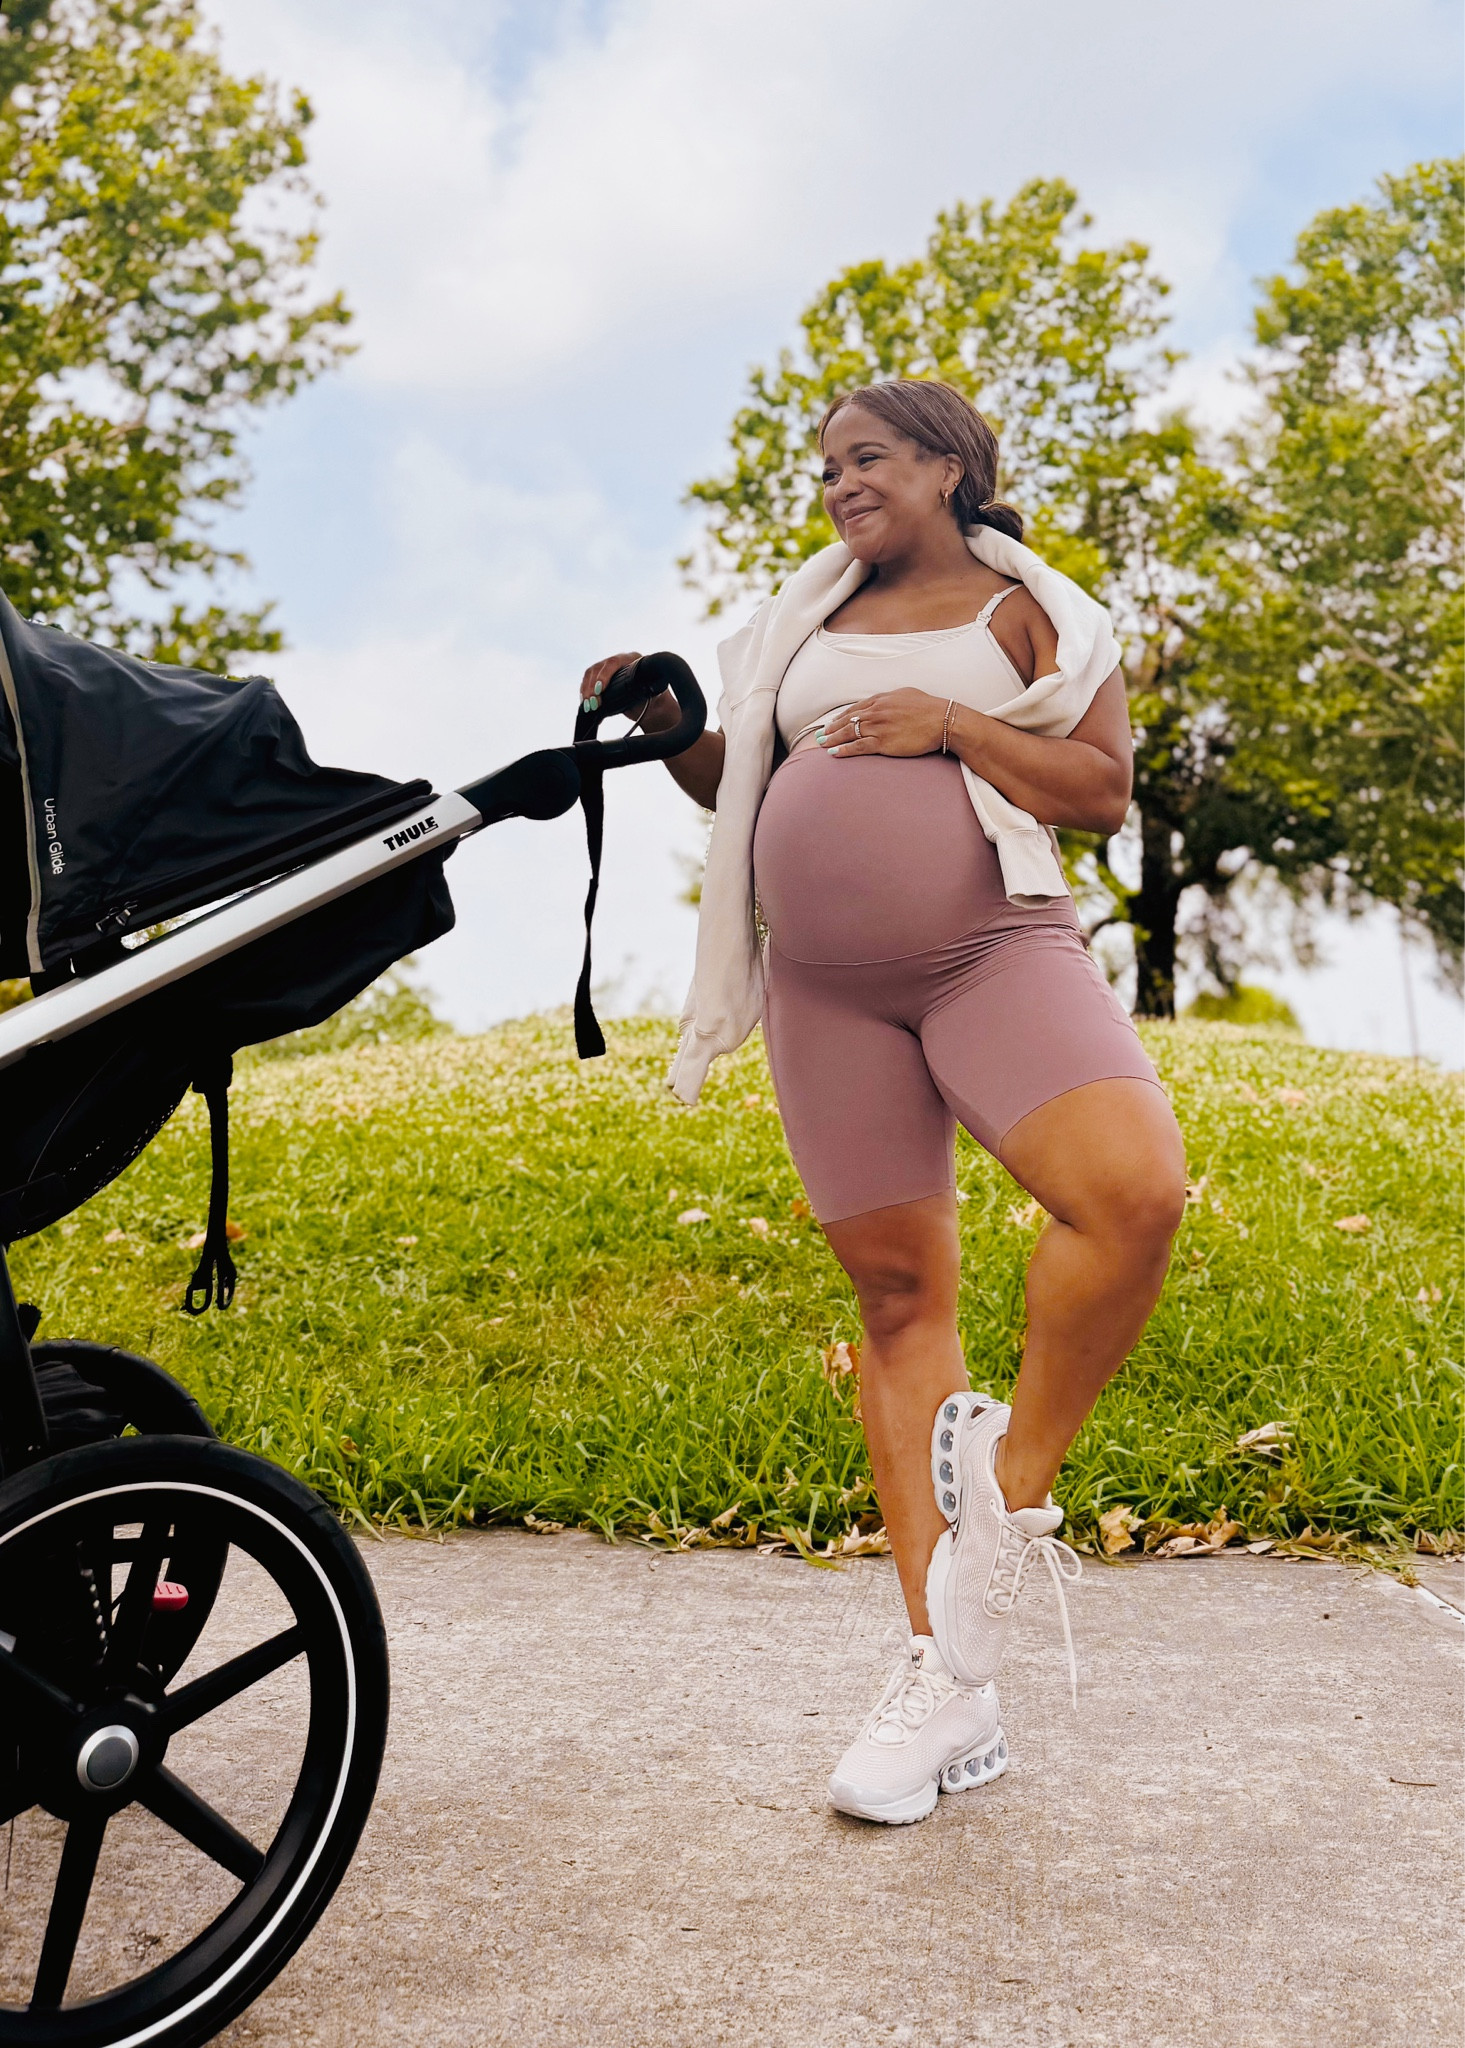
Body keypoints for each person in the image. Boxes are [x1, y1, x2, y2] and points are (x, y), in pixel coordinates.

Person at [580, 378, 1187, 1826]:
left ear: (947, 465)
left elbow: (1100, 790)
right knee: (900, 1305)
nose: (839, 483)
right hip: (823, 992)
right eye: (828, 466)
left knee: (1130, 1195)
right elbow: (746, 790)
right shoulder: (804, 618)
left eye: (867, 458)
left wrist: (951, 726)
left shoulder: (1034, 615)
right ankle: (943, 1683)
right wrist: (671, 724)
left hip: (993, 950)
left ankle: (1005, 1495)